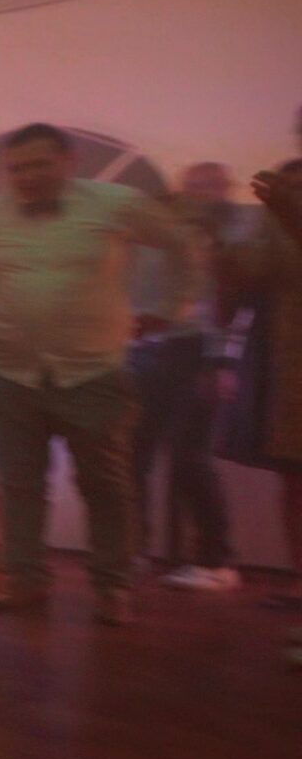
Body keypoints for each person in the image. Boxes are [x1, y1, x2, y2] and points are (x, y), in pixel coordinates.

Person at [0, 123, 196, 626]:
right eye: (16, 169)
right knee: (20, 484)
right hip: (13, 374)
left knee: (105, 485)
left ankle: (112, 586)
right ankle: (25, 579)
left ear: (69, 162)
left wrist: (173, 308)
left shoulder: (115, 203)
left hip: (92, 372)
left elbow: (182, 244)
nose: (27, 176)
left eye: (39, 164)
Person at [134, 162, 246, 591]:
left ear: (225, 190)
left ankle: (217, 561)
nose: (199, 193)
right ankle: (134, 549)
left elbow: (231, 310)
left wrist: (221, 363)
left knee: (189, 457)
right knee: (134, 453)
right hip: (149, 350)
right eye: (193, 186)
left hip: (197, 352)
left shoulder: (230, 242)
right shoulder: (163, 234)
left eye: (210, 186)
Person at [220, 161, 302, 649]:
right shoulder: (272, 217)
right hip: (283, 361)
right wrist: (218, 249)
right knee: (293, 481)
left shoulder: (283, 212)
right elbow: (250, 275)